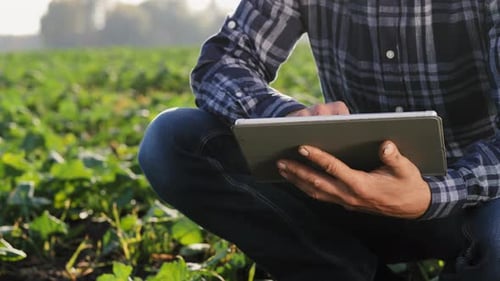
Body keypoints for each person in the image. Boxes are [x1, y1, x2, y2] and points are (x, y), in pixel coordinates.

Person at [138, 0, 500, 280]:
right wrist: (283, 116)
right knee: (173, 141)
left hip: (471, 199)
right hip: (344, 187)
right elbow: (224, 60)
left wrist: (431, 193)